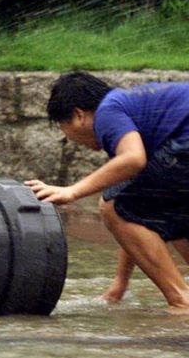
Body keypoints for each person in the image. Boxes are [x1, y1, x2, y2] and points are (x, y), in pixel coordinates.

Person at [24, 71, 189, 314]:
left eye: (66, 129)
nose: (76, 141)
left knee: (112, 205)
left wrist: (73, 191)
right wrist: (120, 284)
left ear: (79, 115)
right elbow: (138, 222)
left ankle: (181, 302)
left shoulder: (107, 111)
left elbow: (133, 160)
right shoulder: (130, 107)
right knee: (164, 213)